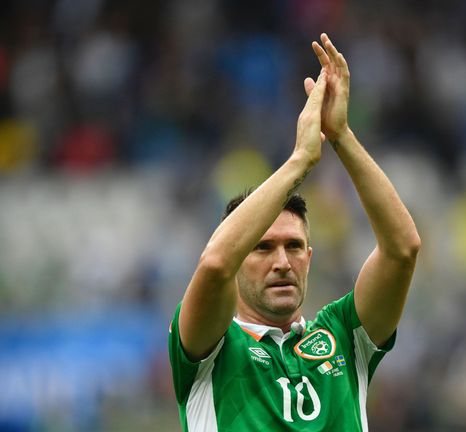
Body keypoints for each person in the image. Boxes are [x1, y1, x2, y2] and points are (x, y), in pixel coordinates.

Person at [168, 33, 421, 431]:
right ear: (239, 260)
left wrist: (342, 137)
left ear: (309, 256)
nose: (282, 262)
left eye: (293, 246)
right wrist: (300, 161)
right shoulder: (210, 348)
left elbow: (402, 249)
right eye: (262, 248)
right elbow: (215, 263)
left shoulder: (344, 336)